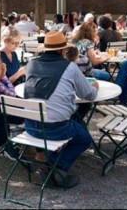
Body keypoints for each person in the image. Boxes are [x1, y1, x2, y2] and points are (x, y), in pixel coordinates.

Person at [24, 31, 99, 188]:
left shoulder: (31, 64)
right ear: (62, 50)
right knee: (84, 139)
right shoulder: (70, 67)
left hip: (30, 127)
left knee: (68, 120)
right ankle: (57, 167)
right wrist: (94, 87)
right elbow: (89, 95)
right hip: (56, 129)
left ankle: (46, 165)